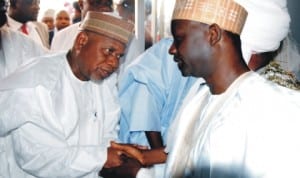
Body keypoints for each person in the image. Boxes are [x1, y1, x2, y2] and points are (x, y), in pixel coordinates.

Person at [163, 0, 300, 177]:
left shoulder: (276, 109)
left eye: (179, 38)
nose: (172, 49)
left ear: (213, 35)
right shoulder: (200, 101)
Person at [0, 11, 134, 178]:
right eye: (109, 51)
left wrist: (117, 152)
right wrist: (102, 157)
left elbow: (108, 132)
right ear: (81, 41)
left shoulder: (104, 81)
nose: (114, 63)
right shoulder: (39, 82)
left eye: (119, 56)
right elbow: (38, 158)